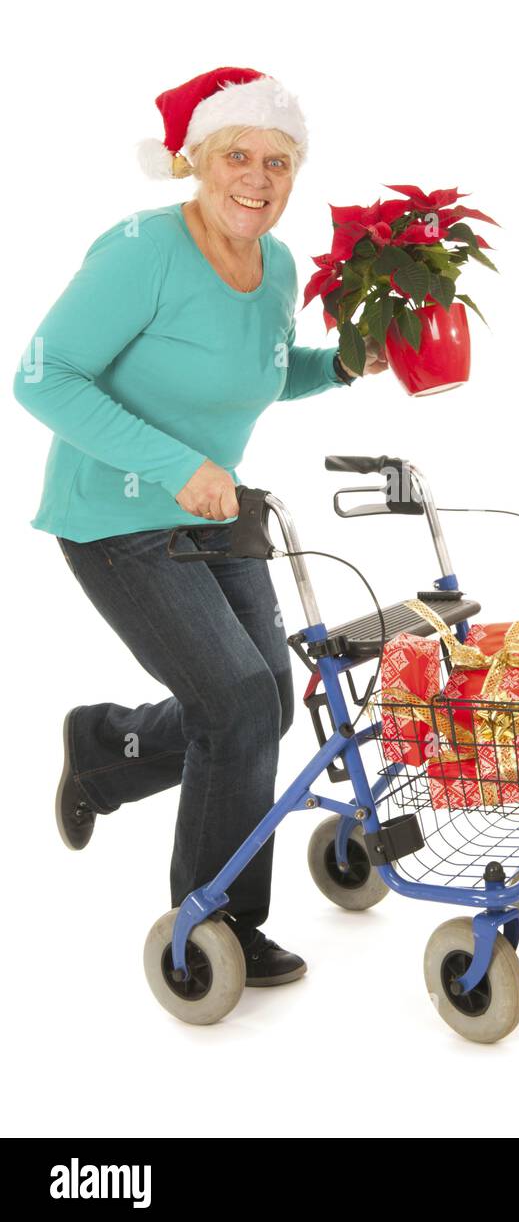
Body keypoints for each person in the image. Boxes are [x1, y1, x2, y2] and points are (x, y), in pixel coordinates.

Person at [12, 66, 387, 988]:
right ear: (196, 162)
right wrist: (181, 465)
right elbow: (41, 375)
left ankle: (107, 748)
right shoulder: (144, 249)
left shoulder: (280, 265)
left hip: (218, 511)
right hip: (117, 516)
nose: (257, 178)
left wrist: (337, 366)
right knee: (237, 704)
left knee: (260, 703)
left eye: (277, 161)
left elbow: (258, 373)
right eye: (237, 155)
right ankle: (214, 923)